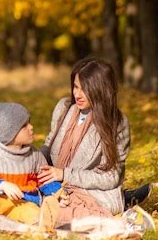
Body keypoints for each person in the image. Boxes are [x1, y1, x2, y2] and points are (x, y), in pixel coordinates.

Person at [38, 56, 132, 225]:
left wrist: (65, 174)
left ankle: (126, 204)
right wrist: (33, 160)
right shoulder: (64, 108)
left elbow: (111, 176)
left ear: (100, 89)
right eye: (75, 86)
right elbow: (49, 144)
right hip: (53, 184)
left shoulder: (117, 123)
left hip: (88, 190)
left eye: (84, 89)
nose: (77, 94)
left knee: (58, 213)